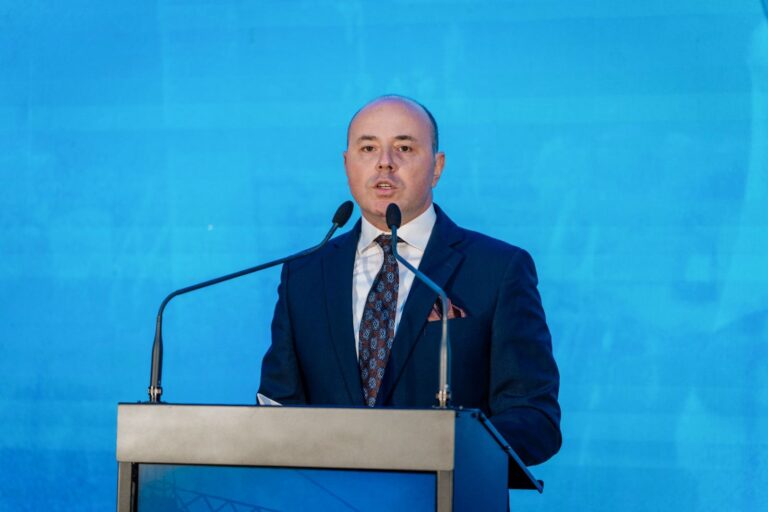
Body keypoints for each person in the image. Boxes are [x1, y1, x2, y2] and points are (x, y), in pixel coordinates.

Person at [258, 95, 561, 466]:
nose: (384, 162)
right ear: (347, 164)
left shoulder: (498, 269)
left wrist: (447, 448)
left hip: (444, 491)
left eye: (404, 147)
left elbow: (535, 417)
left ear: (437, 167)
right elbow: (277, 407)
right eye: (368, 148)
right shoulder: (303, 275)